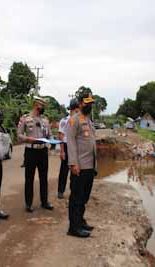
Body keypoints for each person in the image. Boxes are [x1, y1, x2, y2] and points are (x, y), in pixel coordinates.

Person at [67, 92, 97, 238]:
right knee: (76, 198)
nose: (89, 105)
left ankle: (80, 221)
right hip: (79, 166)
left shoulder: (88, 120)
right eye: (86, 103)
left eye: (91, 103)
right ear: (80, 103)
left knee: (84, 197)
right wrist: (73, 164)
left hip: (89, 166)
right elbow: (71, 142)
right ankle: (73, 227)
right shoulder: (74, 120)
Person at [17, 96, 54, 212]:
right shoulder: (25, 119)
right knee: (29, 178)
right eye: (41, 106)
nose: (43, 108)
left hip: (42, 151)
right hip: (31, 151)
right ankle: (28, 204)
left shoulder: (45, 120)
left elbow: (50, 135)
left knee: (43, 178)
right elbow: (19, 135)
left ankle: (44, 202)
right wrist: (29, 139)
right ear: (35, 105)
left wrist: (52, 141)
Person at [57, 98, 79, 199]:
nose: (77, 111)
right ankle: (60, 191)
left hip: (75, 147)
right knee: (64, 170)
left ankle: (74, 191)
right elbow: (61, 136)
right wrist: (62, 151)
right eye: (76, 109)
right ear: (72, 109)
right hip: (66, 146)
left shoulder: (80, 120)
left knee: (75, 170)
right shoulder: (64, 121)